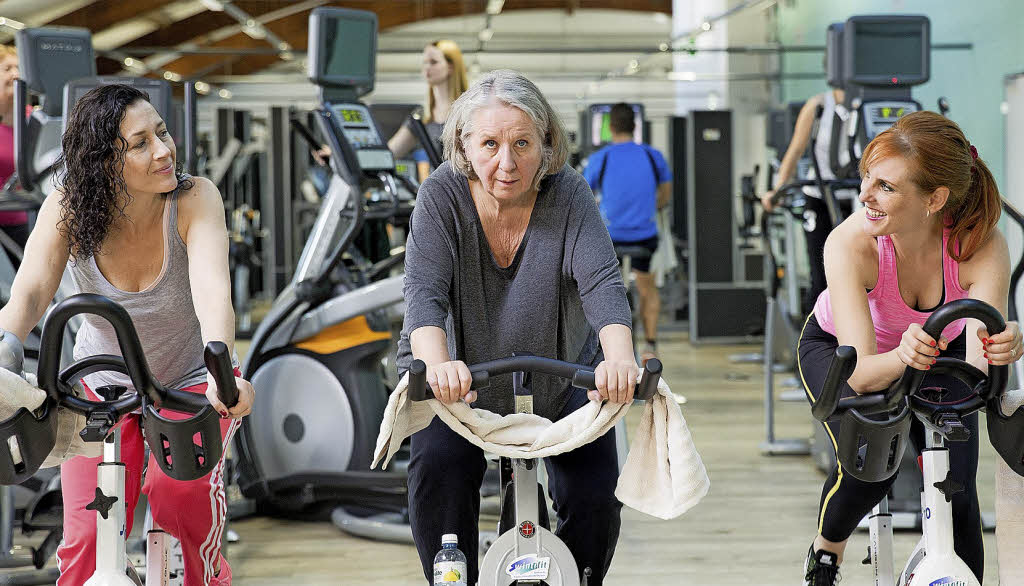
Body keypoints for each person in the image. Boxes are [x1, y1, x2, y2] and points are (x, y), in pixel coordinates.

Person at [0, 84, 255, 585]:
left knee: (180, 503)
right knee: (88, 537)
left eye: (161, 133)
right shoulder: (67, 207)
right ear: (101, 162)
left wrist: (221, 371)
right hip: (100, 388)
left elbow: (211, 291)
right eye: (139, 143)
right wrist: (3, 357)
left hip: (190, 381)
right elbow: (28, 295)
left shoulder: (192, 198)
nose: (163, 150)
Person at [396, 69, 636, 586]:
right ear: (464, 145)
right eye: (489, 144)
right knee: (439, 470)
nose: (506, 163)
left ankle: (580, 575)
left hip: (564, 372)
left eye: (522, 143)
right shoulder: (441, 196)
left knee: (595, 492)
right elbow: (424, 295)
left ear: (547, 144)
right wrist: (438, 368)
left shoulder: (568, 192)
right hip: (460, 382)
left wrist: (620, 359)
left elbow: (602, 283)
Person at [797, 111, 1020, 586]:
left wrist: (1001, 347)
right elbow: (858, 372)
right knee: (871, 472)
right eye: (866, 179)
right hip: (841, 351)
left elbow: (978, 363)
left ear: (935, 199)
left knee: (958, 493)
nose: (864, 195)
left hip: (935, 356)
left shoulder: (980, 245)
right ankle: (825, 555)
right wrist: (900, 356)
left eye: (885, 186)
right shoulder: (850, 243)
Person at [582, 102, 671, 363]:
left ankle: (611, 350)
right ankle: (650, 346)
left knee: (608, 290)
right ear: (635, 125)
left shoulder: (602, 158)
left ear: (610, 127)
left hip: (612, 238)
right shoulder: (653, 156)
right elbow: (664, 194)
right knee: (647, 287)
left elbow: (584, 195)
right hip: (645, 236)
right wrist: (646, 209)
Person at [761, 86, 851, 314]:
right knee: (821, 276)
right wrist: (778, 189)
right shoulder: (819, 105)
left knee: (860, 275)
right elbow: (796, 149)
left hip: (859, 198)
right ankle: (816, 343)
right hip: (820, 196)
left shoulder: (871, 103)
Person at [386, 39, 468, 180]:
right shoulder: (421, 117)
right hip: (436, 194)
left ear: (451, 67)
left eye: (433, 62)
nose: (426, 68)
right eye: (424, 62)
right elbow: (390, 152)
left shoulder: (469, 113)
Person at [0, 44, 31, 250]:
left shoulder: (33, 118)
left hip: (25, 218)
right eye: (7, 68)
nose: (15, 74)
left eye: (18, 67)